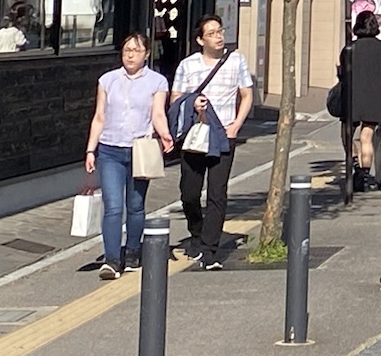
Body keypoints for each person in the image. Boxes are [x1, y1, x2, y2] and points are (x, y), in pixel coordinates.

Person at [84, 32, 173, 278]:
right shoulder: (107, 80)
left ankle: (133, 251)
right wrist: (91, 149)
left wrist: (165, 134)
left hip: (140, 149)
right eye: (127, 50)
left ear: (146, 54)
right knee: (113, 206)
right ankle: (112, 260)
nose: (130, 55)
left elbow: (158, 113)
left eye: (136, 50)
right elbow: (99, 116)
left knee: (135, 205)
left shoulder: (157, 82)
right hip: (109, 149)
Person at [170, 15, 254, 270]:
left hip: (223, 134)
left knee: (217, 193)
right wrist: (192, 102)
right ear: (200, 40)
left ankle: (210, 250)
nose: (218, 37)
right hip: (195, 136)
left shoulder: (236, 60)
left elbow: (247, 94)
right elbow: (175, 99)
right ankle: (196, 234)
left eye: (220, 31)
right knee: (189, 193)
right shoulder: (187, 65)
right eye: (212, 33)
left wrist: (236, 125)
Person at [336, 11, 381, 193]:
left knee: (347, 135)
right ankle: (364, 174)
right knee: (366, 137)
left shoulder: (349, 49)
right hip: (374, 98)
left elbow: (342, 72)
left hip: (352, 97)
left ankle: (355, 162)